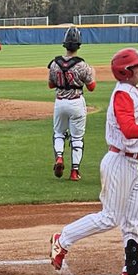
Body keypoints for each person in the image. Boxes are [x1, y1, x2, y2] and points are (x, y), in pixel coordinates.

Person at [49, 47, 138, 275]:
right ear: (125, 71)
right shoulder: (122, 94)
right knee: (110, 217)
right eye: (136, 66)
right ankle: (63, 239)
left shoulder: (135, 91)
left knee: (133, 218)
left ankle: (131, 269)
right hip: (119, 162)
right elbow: (129, 129)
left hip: (132, 165)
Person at [49, 26, 97, 181]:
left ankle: (60, 157)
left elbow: (50, 85)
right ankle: (75, 172)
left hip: (60, 102)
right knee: (77, 138)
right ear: (79, 45)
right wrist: (93, 74)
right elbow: (91, 87)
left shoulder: (55, 64)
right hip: (76, 102)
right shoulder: (82, 65)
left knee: (58, 133)